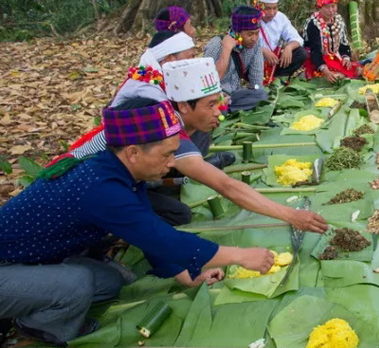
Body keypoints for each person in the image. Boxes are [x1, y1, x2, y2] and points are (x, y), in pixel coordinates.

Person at [0, 99, 279, 348]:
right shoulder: (101, 187)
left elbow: (148, 232)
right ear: (133, 152)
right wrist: (239, 254)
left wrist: (187, 275)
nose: (172, 163)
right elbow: (164, 239)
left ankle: (30, 298)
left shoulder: (118, 172)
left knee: (109, 281)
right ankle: (30, 323)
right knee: (76, 285)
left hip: (21, 265)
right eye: (165, 154)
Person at [58, 58, 328, 233]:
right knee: (176, 216)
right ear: (184, 106)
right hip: (80, 187)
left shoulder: (172, 116)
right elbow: (226, 186)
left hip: (119, 178)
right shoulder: (163, 129)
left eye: (218, 102)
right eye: (211, 105)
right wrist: (291, 215)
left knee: (178, 203)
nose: (219, 112)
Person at [203, 5, 268, 110]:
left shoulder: (255, 45)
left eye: (257, 33)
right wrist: (227, 50)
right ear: (237, 32)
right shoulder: (216, 45)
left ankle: (228, 108)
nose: (254, 38)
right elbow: (208, 83)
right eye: (250, 34)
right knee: (217, 108)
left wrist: (256, 90)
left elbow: (257, 82)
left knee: (261, 96)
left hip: (234, 94)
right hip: (215, 96)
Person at [252, 0, 307, 83]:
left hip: (274, 62)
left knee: (301, 53)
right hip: (254, 61)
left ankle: (279, 78)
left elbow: (297, 38)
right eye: (267, 9)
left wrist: (289, 48)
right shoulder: (248, 18)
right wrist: (262, 50)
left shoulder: (280, 17)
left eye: (275, 8)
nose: (272, 13)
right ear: (258, 6)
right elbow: (239, 43)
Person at [303, 0, 360, 83]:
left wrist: (346, 57)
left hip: (335, 57)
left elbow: (343, 43)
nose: (331, 11)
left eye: (333, 6)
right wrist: (325, 70)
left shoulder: (339, 20)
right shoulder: (313, 24)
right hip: (317, 60)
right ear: (319, 8)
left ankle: (339, 74)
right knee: (332, 76)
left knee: (357, 69)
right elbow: (314, 51)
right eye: (326, 7)